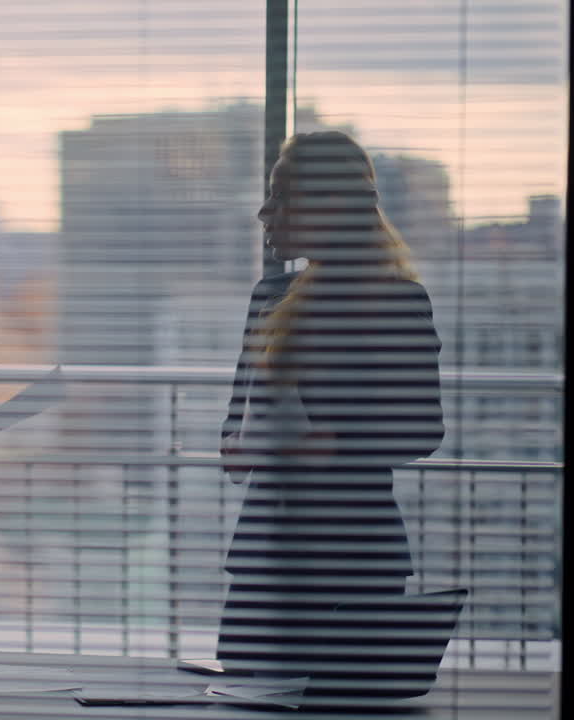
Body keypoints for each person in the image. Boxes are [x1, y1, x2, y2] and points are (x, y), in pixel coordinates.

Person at [216, 131, 445, 673]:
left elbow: (424, 429)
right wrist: (236, 447)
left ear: (329, 204)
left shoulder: (396, 300)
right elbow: (236, 418)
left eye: (279, 195)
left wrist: (334, 444)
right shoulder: (268, 297)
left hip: (356, 557)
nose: (263, 211)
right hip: (264, 558)